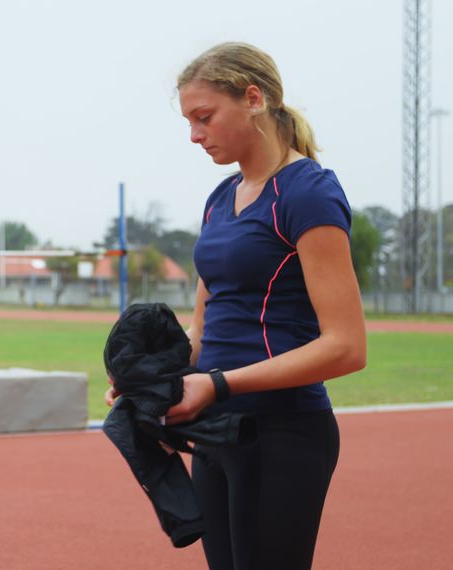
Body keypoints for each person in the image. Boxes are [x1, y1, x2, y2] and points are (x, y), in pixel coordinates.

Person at [105, 42, 367, 569]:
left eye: (204, 117)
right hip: (218, 428)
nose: (195, 135)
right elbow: (206, 324)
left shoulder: (307, 193)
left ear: (253, 99)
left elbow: (346, 347)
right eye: (189, 121)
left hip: (283, 432)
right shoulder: (221, 198)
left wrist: (218, 383)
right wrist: (158, 384)